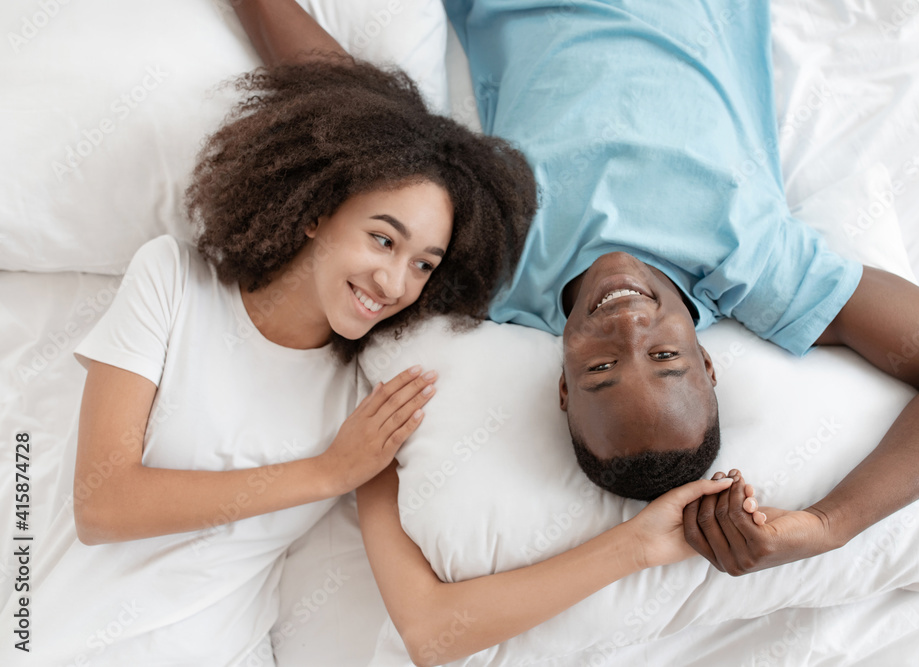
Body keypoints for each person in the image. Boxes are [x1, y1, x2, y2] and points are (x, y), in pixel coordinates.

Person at [237, 0, 919, 665]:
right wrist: (830, 524)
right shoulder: (756, 263)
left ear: (562, 381)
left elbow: (361, 119)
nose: (629, 325)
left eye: (602, 369)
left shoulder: (495, 265)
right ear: (710, 358)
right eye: (666, 357)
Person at [0, 15, 538, 665]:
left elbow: (426, 626)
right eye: (383, 238)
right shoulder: (172, 280)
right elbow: (104, 503)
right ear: (317, 209)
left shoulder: (364, 395)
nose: (395, 280)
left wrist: (646, 543)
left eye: (424, 263)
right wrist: (324, 472)